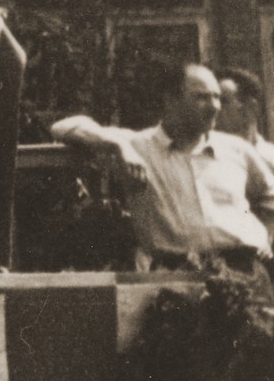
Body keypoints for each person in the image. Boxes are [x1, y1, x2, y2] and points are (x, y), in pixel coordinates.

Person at [50, 61, 274, 280]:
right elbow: (64, 127)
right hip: (178, 274)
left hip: (246, 271)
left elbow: (269, 197)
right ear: (171, 100)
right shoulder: (140, 147)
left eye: (217, 97)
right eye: (202, 97)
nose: (215, 106)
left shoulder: (236, 149)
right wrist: (119, 146)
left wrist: (265, 236)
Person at [216, 67, 274, 168]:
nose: (215, 108)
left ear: (250, 107)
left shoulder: (270, 158)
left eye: (223, 101)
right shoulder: (208, 163)